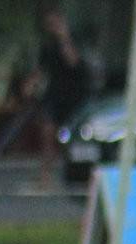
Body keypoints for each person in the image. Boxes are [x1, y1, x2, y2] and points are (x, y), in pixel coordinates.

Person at [34, 9, 92, 186]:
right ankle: (46, 173)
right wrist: (31, 83)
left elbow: (72, 61)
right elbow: (41, 67)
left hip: (74, 94)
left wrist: (64, 38)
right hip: (54, 94)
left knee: (73, 135)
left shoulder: (72, 40)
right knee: (47, 132)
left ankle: (75, 171)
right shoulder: (47, 45)